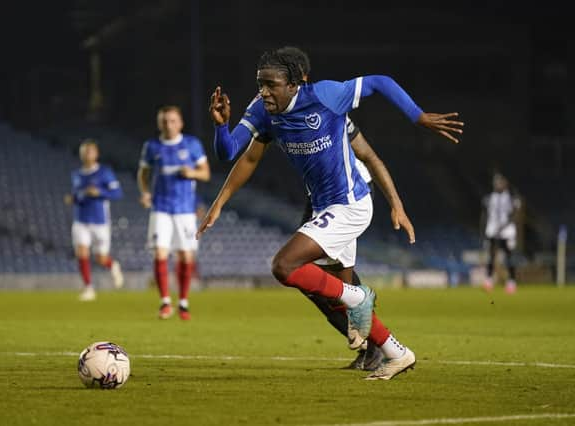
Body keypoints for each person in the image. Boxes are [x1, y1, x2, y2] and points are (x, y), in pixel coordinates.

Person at [200, 47, 463, 379]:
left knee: (285, 266)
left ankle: (358, 298)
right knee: (329, 295)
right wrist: (220, 127)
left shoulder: (326, 96)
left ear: (296, 83)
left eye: (271, 84)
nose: (263, 91)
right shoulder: (262, 110)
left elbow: (379, 82)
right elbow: (232, 153)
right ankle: (398, 353)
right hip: (324, 207)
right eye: (260, 83)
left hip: (350, 205)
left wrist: (419, 117)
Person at [137, 105, 211, 320]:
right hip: (160, 207)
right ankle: (165, 302)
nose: (168, 125)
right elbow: (143, 173)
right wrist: (144, 192)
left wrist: (192, 172)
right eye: (164, 121)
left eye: (172, 121)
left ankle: (184, 302)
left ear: (180, 123)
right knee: (160, 253)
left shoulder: (192, 144)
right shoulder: (151, 146)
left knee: (186, 256)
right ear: (159, 123)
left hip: (185, 210)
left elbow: (205, 174)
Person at [64, 140, 124, 301]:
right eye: (84, 151)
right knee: (81, 252)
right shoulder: (76, 174)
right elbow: (78, 195)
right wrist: (73, 198)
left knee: (100, 258)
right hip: (81, 219)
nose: (87, 154)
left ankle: (113, 265)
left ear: (96, 154)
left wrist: (99, 192)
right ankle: (88, 288)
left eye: (90, 151)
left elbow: (117, 193)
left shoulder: (105, 172)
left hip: (100, 220)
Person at [481, 172, 521, 294]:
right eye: (496, 182)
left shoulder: (511, 197)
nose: (498, 184)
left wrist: (505, 226)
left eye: (500, 182)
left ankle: (511, 282)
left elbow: (515, 214)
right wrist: (485, 231)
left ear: (505, 183)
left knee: (509, 257)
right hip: (492, 229)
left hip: (507, 230)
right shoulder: (489, 198)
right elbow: (485, 215)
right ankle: (488, 280)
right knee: (491, 255)